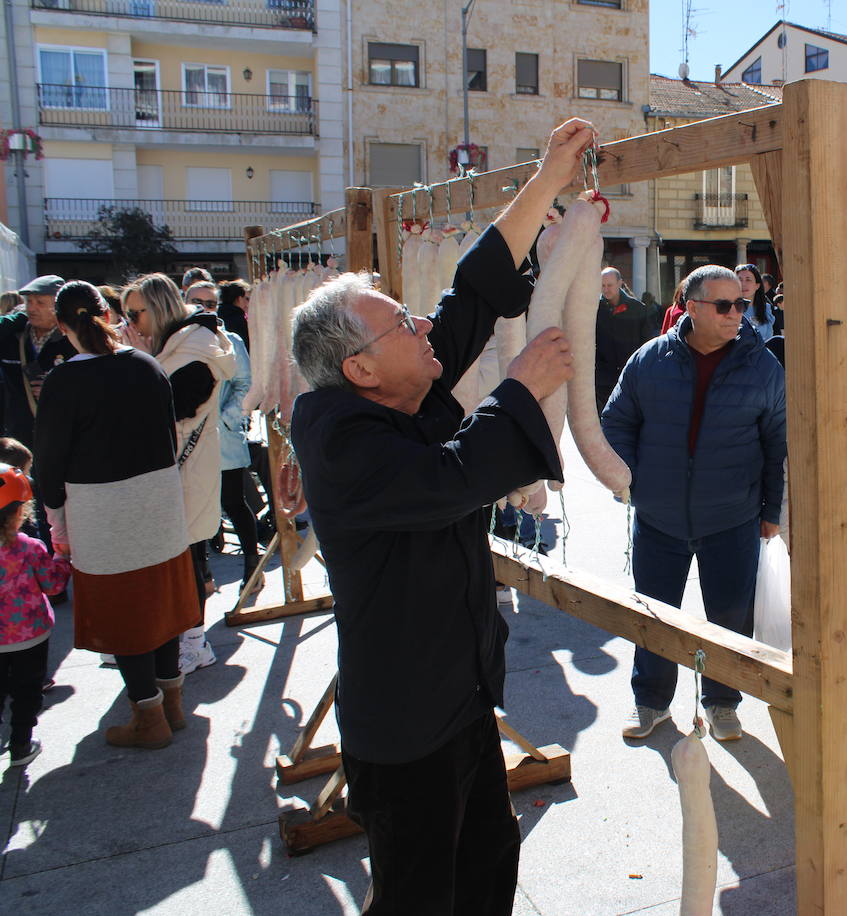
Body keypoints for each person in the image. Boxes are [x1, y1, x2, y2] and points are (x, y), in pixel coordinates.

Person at [288, 117, 589, 915]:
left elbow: (469, 297)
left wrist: (550, 176)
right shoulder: (340, 439)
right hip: (405, 725)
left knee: (488, 865)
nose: (422, 328)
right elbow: (450, 477)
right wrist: (518, 388)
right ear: (359, 367)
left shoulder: (399, 388)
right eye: (400, 324)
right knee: (419, 897)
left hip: (457, 698)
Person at [603, 264, 786, 743]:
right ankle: (651, 703)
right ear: (691, 306)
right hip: (658, 515)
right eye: (724, 305)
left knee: (729, 618)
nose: (736, 315)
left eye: (742, 305)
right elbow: (616, 421)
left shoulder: (763, 365)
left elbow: (777, 443)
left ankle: (724, 703)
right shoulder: (649, 360)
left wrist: (772, 511)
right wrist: (630, 478)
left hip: (733, 517)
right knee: (654, 615)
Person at [35, 280, 201, 749]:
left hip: (101, 508)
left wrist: (55, 520)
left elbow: (48, 460)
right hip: (159, 499)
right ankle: (171, 704)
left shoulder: (65, 381)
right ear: (107, 314)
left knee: (124, 610)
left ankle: (149, 716)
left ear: (65, 326)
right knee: (161, 602)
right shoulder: (146, 365)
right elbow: (169, 436)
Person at [124, 273, 237, 673]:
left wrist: (140, 364)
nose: (130, 323)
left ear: (157, 308)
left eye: (135, 313)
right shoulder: (178, 346)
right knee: (179, 559)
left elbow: (171, 409)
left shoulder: (194, 352)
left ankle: (194, 641)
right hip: (175, 469)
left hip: (185, 472)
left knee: (188, 559)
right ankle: (182, 638)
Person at [0, 464, 70, 767]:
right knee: (27, 692)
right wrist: (62, 559)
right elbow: (53, 583)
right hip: (30, 636)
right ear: (19, 512)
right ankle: (20, 745)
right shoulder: (29, 548)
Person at [0, 275, 77, 447]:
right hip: (19, 438)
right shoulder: (13, 336)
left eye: (40, 303)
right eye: (29, 302)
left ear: (59, 307)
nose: (32, 308)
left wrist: (57, 391)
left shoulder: (75, 340)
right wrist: (17, 318)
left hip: (61, 437)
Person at [218, 328, 259, 592]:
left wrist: (227, 419)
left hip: (223, 436)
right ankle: (203, 573)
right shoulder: (174, 338)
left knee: (233, 501)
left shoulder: (230, 339)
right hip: (188, 440)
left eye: (209, 303)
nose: (202, 308)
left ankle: (253, 567)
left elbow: (246, 382)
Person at [595, 267, 656, 414]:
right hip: (603, 377)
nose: (606, 289)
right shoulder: (595, 309)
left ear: (620, 283)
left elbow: (647, 342)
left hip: (631, 374)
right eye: (603, 285)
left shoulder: (638, 308)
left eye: (610, 285)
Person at [736, 263, 775, 341]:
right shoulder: (728, 308)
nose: (743, 284)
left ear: (757, 285)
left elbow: (769, 339)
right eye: (739, 279)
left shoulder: (766, 308)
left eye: (748, 280)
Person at [217, 279, 252, 348]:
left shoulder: (216, 316)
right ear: (239, 298)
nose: (248, 303)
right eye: (247, 299)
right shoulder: (242, 322)